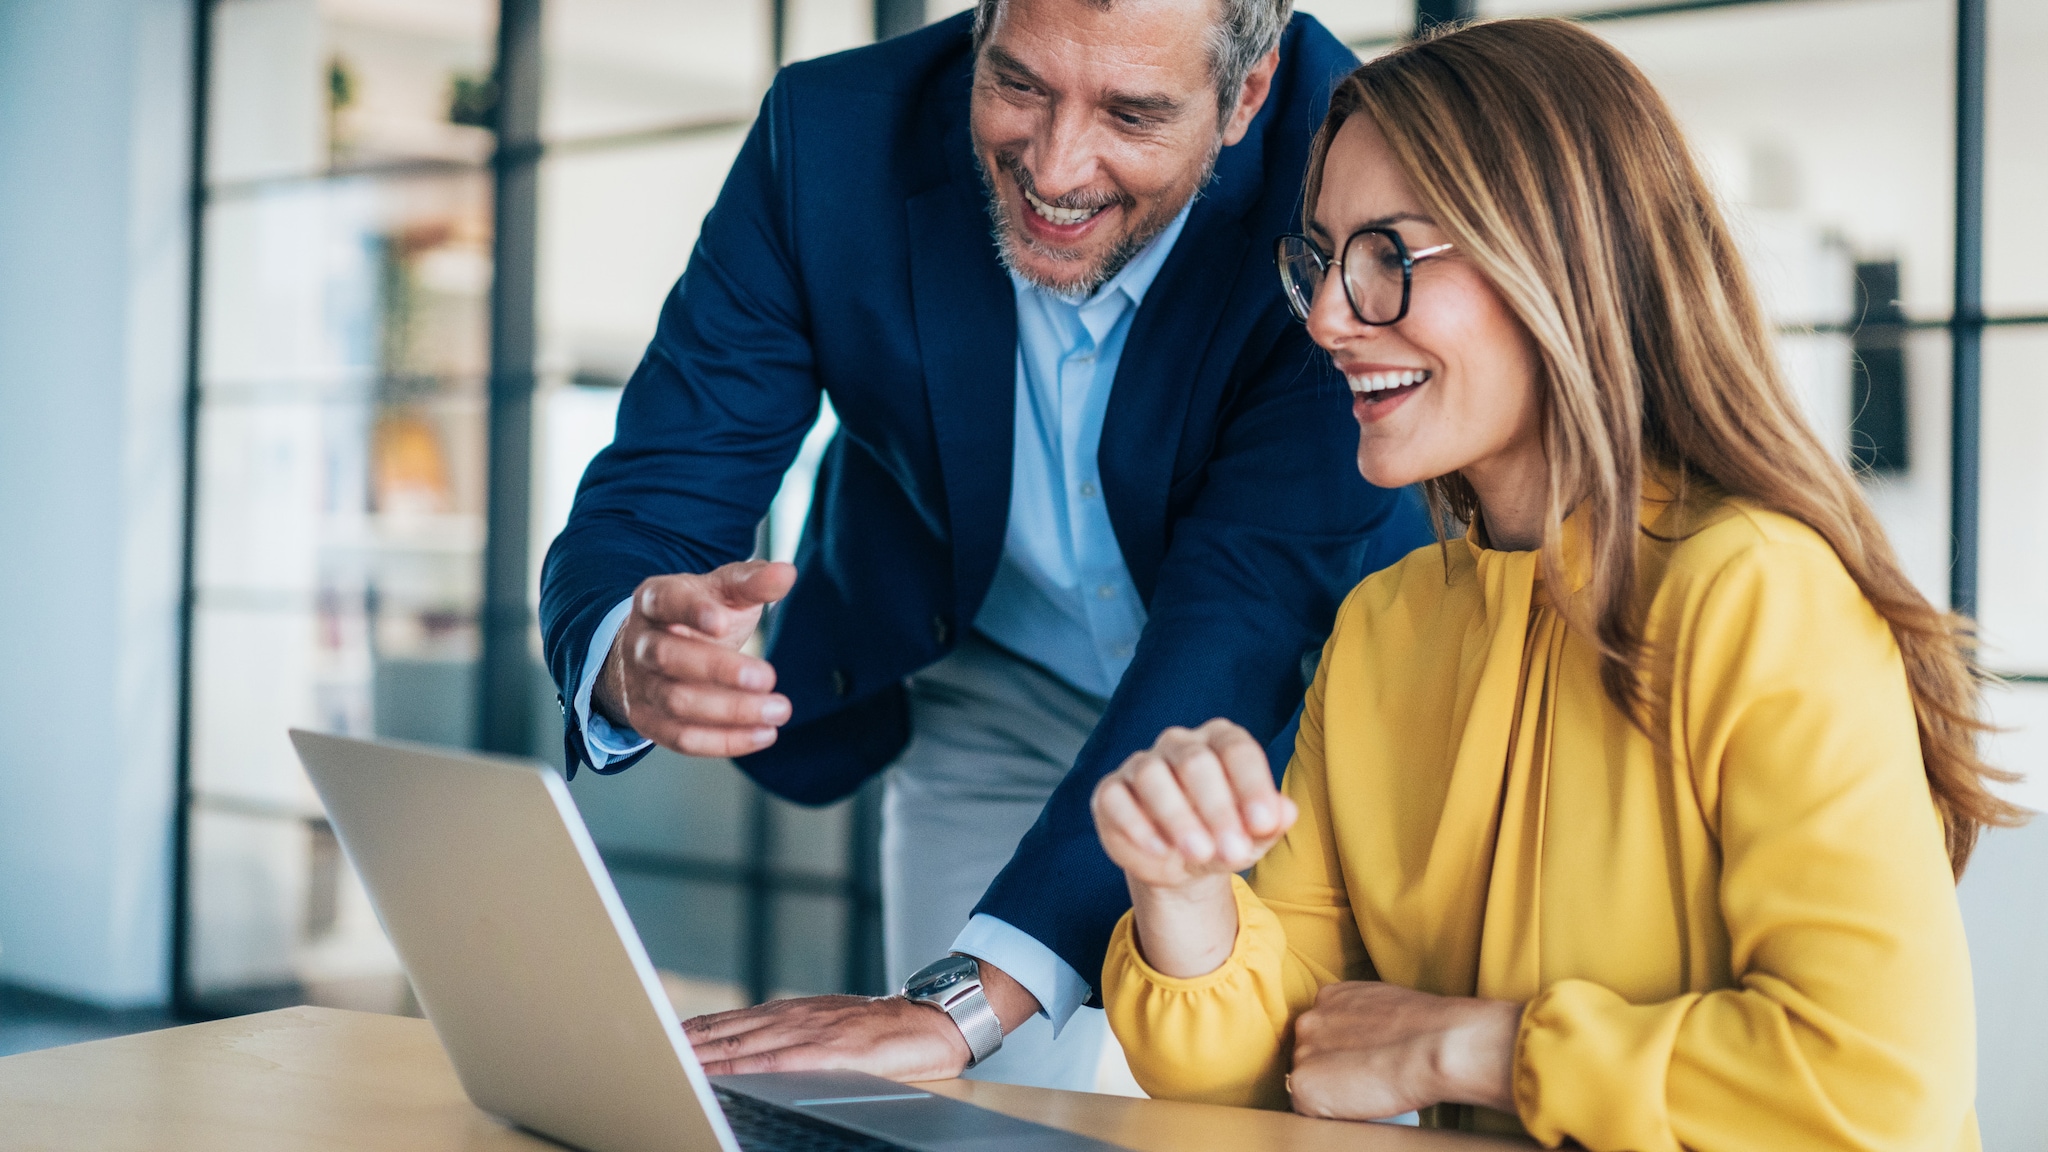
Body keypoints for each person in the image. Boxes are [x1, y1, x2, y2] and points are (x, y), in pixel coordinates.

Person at [1089, 17, 2025, 1148]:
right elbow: (1277, 1067)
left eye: (1386, 255)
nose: (1328, 316)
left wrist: (1472, 1046)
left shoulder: (1757, 592)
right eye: (1323, 260)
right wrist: (1182, 893)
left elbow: (1876, 1087)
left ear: (1558, 265)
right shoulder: (1386, 626)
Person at [538, 0, 1431, 1090]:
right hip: (991, 693)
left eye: (1132, 115)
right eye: (1017, 84)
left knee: (1275, 1102)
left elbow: (1244, 618)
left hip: (1276, 728)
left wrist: (964, 1001)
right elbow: (667, 475)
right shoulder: (830, 139)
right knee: (979, 1107)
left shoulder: (1341, 181)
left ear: (1245, 94)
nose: (1054, 168)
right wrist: (626, 644)